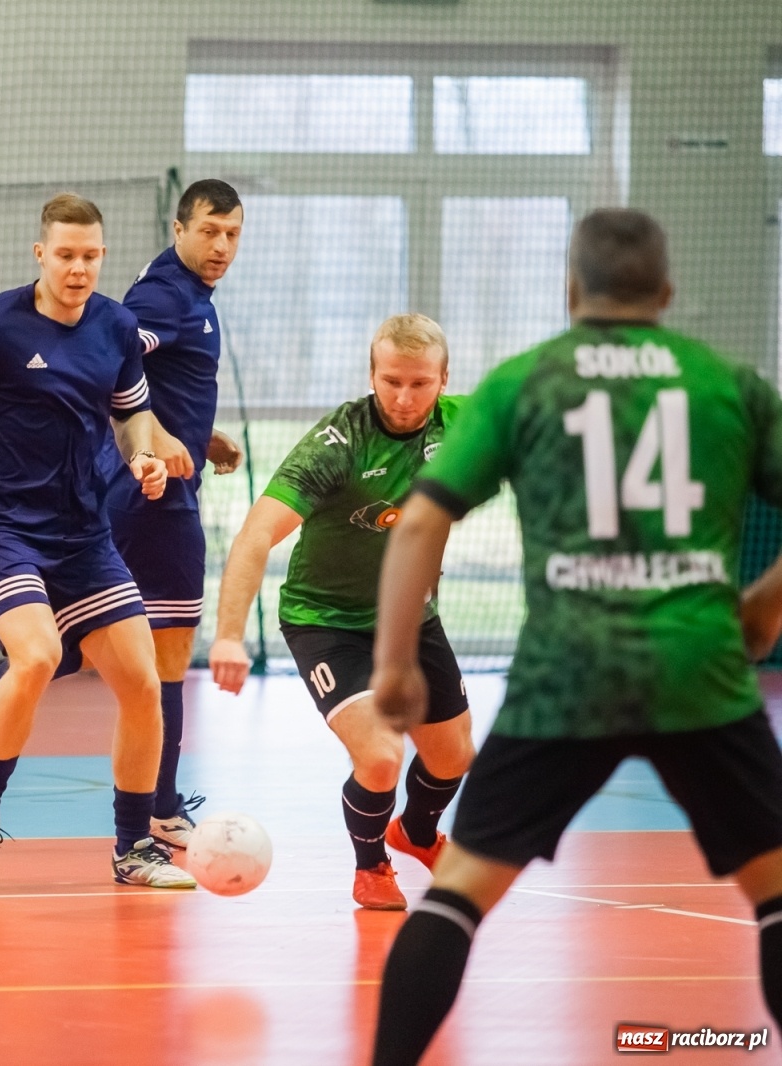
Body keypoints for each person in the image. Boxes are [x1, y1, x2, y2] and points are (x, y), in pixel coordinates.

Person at [366, 209, 782, 1065]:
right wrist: (766, 607)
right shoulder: (727, 382)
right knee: (775, 894)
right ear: (667, 295)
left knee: (457, 897)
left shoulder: (529, 382)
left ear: (570, 291)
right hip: (699, 668)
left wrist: (394, 662)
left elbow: (418, 525)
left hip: (566, 674)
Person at [0, 179, 247, 850]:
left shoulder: (119, 322)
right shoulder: (8, 321)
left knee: (132, 672)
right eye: (66, 255)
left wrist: (160, 447)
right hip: (21, 523)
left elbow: (129, 403)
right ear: (41, 253)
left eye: (90, 256)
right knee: (61, 653)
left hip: (89, 523)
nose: (78, 269)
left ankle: (133, 844)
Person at [208, 314, 476, 910]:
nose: (404, 398)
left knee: (455, 755)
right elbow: (255, 536)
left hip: (410, 618)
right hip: (326, 621)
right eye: (391, 382)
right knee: (381, 756)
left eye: (420, 384)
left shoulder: (463, 425)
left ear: (444, 380)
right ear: (371, 375)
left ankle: (418, 833)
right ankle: (371, 862)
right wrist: (228, 636)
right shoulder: (338, 445)